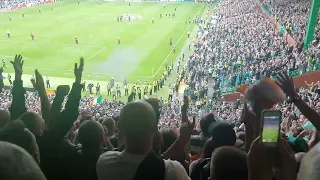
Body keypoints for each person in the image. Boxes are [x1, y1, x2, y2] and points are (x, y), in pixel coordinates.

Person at [96, 100, 190, 180]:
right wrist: (182, 139)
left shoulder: (104, 162)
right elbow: (157, 163)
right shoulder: (173, 171)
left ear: (119, 128)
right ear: (154, 129)